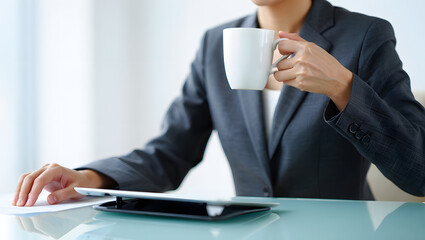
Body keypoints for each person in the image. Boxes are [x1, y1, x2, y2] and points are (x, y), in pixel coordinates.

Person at [13, 0, 425, 207]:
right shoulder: (216, 43)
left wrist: (343, 86)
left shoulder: (365, 36)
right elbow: (169, 153)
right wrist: (89, 179)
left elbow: (419, 170)